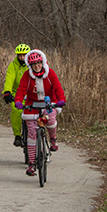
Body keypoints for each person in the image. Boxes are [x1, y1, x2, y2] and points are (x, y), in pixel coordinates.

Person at [14, 49, 65, 177]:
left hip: (49, 101)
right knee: (31, 133)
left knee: (51, 119)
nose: (37, 66)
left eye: (39, 63)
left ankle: (53, 139)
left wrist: (61, 100)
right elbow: (21, 90)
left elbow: (57, 88)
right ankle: (31, 164)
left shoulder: (50, 73)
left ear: (42, 62)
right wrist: (19, 101)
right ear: (30, 66)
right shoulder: (27, 75)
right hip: (32, 104)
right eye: (34, 64)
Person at [2, 43, 31, 147]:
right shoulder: (13, 65)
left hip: (32, 94)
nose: (22, 58)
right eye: (20, 55)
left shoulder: (33, 65)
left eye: (24, 55)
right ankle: (18, 135)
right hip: (17, 94)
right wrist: (7, 92)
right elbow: (9, 78)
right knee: (16, 110)